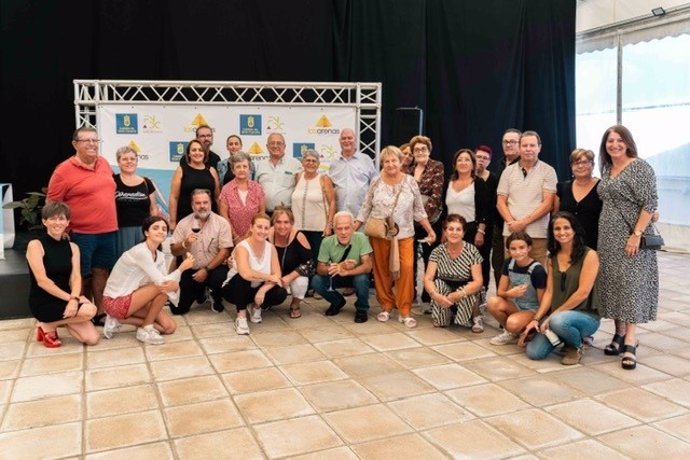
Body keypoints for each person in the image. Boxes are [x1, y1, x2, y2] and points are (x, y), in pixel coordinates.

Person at [596, 125, 659, 371]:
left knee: (631, 285)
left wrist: (636, 234)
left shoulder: (640, 167)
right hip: (607, 238)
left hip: (631, 237)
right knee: (614, 283)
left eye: (619, 140)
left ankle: (631, 341)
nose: (614, 145)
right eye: (610, 141)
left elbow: (650, 202)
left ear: (628, 142)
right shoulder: (607, 168)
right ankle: (618, 333)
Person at [355, 146, 436, 328]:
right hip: (380, 234)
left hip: (405, 235)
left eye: (394, 161)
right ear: (382, 163)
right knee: (382, 270)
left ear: (401, 162)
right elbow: (366, 207)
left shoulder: (410, 182)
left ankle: (404, 310)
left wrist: (430, 230)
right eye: (386, 161)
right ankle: (386, 305)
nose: (390, 164)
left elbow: (419, 210)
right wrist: (355, 226)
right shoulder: (376, 181)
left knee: (406, 269)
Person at [47, 126, 118, 326]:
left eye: (95, 140)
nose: (91, 144)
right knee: (83, 276)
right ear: (75, 144)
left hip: (108, 230)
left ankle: (101, 312)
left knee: (102, 272)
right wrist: (61, 230)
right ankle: (83, 312)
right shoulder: (63, 171)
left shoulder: (104, 163)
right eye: (86, 140)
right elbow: (52, 204)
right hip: (81, 234)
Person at [521, 212, 600, 365]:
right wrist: (536, 319)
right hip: (558, 316)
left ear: (574, 230)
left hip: (585, 316)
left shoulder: (589, 255)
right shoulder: (552, 257)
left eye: (566, 228)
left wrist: (552, 317)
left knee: (558, 321)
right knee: (534, 352)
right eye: (557, 229)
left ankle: (576, 345)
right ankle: (563, 336)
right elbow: (549, 292)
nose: (562, 232)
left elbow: (583, 293)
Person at [102, 216, 195, 345]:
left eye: (164, 229)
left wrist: (174, 284)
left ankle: (121, 320)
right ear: (146, 232)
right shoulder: (141, 252)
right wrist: (181, 268)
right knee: (163, 286)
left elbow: (165, 281)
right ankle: (145, 328)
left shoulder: (160, 255)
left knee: (168, 328)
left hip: (136, 298)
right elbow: (162, 282)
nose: (161, 231)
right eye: (155, 228)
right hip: (115, 301)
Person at [26, 201, 100, 348]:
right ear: (44, 221)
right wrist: (72, 299)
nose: (57, 223)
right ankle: (48, 324)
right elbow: (42, 281)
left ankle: (48, 325)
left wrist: (75, 297)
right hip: (43, 301)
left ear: (67, 222)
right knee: (90, 310)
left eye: (61, 219)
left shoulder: (73, 247)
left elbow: (76, 277)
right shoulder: (36, 245)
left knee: (92, 339)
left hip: (66, 298)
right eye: (53, 218)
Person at [497, 130, 557, 266]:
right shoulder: (508, 171)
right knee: (512, 273)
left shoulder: (548, 171)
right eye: (524, 145)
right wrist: (512, 223)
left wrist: (523, 223)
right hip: (511, 233)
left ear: (539, 148)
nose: (528, 149)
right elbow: (500, 202)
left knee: (538, 275)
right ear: (519, 148)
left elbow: (548, 204)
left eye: (532, 145)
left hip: (537, 234)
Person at [222, 214, 288, 334]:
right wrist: (268, 277)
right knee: (242, 278)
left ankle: (256, 307)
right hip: (235, 290)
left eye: (266, 228)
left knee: (280, 292)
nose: (263, 231)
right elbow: (246, 274)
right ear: (251, 227)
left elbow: (277, 274)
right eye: (259, 227)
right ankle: (241, 317)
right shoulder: (242, 247)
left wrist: (262, 290)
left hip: (257, 287)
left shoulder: (271, 248)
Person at [170, 189, 232, 314]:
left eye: (205, 202)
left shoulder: (221, 223)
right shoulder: (183, 223)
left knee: (218, 278)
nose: (202, 206)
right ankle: (200, 293)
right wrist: (184, 244)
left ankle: (216, 296)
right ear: (192, 205)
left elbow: (224, 251)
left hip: (214, 268)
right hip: (191, 270)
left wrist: (206, 270)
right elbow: (173, 251)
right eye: (198, 203)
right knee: (177, 309)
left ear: (210, 204)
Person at [423, 214, 484, 331]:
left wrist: (458, 294)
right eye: (450, 229)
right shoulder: (437, 251)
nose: (454, 233)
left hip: (465, 288)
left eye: (458, 229)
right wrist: (435, 295)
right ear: (445, 232)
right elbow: (428, 279)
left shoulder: (472, 251)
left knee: (472, 287)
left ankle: (476, 316)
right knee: (438, 284)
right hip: (445, 287)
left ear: (464, 233)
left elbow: (478, 281)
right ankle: (445, 316)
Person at [311, 211, 373, 323]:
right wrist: (335, 267)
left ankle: (362, 309)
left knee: (362, 279)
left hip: (355, 274)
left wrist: (348, 272)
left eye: (347, 228)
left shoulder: (361, 238)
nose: (343, 232)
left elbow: (368, 266)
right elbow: (320, 269)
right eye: (339, 229)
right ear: (334, 229)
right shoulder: (326, 242)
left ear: (353, 227)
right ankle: (337, 301)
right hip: (337, 274)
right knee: (316, 281)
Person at [487, 231, 546, 345]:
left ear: (529, 248)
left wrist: (536, 319)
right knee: (492, 302)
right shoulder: (509, 263)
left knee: (512, 323)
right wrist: (510, 294)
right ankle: (511, 333)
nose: (518, 252)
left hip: (532, 309)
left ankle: (529, 331)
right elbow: (500, 292)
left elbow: (542, 302)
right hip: (516, 305)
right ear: (508, 250)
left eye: (521, 247)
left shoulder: (537, 270)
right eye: (513, 249)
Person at [409, 135, 445, 309]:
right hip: (409, 223)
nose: (420, 152)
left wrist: (421, 217)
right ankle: (411, 293)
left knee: (431, 259)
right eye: (416, 149)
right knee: (410, 260)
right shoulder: (408, 168)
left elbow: (436, 196)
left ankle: (429, 295)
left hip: (430, 221)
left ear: (429, 150)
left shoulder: (437, 166)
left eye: (423, 149)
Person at [443, 148, 490, 280]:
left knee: (471, 266)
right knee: (452, 264)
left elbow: (484, 210)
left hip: (471, 230)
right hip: (451, 231)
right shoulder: (448, 183)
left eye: (467, 160)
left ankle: (474, 296)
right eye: (460, 160)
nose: (463, 163)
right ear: (454, 164)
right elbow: (444, 209)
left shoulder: (479, 184)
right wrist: (444, 231)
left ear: (473, 164)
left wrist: (480, 232)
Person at [268, 207, 314, 319]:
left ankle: (295, 304)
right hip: (271, 273)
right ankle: (265, 302)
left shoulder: (299, 236)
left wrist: (289, 277)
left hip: (293, 274)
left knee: (301, 281)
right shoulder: (267, 235)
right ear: (273, 222)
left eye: (286, 222)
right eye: (278, 222)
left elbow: (310, 264)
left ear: (292, 223)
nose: (282, 226)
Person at [113, 146, 159, 259]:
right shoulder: (112, 181)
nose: (129, 162)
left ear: (137, 161)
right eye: (124, 159)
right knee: (124, 265)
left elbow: (153, 209)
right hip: (121, 232)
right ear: (118, 162)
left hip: (143, 232)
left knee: (145, 265)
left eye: (132, 159)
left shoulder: (146, 182)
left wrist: (154, 230)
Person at [553, 148, 602, 249]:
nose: (580, 166)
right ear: (571, 167)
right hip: (566, 245)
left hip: (594, 245)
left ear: (592, 165)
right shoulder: (562, 188)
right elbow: (555, 216)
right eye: (576, 163)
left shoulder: (602, 188)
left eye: (585, 162)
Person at [291, 149, 336, 258]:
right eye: (307, 160)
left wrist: (329, 225)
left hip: (319, 230)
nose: (310, 163)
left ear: (318, 164)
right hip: (298, 229)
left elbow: (332, 202)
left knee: (317, 261)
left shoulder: (324, 179)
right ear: (302, 163)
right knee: (301, 260)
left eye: (314, 161)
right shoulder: (298, 177)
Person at [491, 129, 521, 288]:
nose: (508, 145)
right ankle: (501, 296)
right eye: (505, 142)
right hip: (498, 222)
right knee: (498, 263)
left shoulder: (524, 165)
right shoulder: (500, 164)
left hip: (517, 222)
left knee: (517, 263)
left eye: (513, 142)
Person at [169, 139, 220, 231]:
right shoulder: (181, 170)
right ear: (188, 154)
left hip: (209, 218)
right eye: (194, 150)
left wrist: (221, 218)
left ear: (204, 153)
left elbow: (217, 197)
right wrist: (172, 221)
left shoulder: (212, 171)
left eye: (200, 150)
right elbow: (174, 197)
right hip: (185, 217)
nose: (197, 153)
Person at [219, 151, 265, 244]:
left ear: (249, 169)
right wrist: (235, 237)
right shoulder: (226, 189)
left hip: (255, 237)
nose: (242, 170)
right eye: (238, 167)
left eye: (245, 166)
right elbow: (224, 216)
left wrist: (250, 234)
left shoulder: (257, 188)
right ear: (233, 170)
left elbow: (261, 213)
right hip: (233, 239)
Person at [328, 128, 377, 216]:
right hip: (340, 214)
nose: (347, 141)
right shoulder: (334, 162)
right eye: (344, 138)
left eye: (349, 138)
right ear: (339, 141)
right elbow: (331, 187)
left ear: (355, 140)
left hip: (361, 215)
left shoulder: (366, 159)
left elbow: (375, 185)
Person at [254, 133, 301, 214]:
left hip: (286, 214)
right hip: (264, 214)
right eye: (272, 143)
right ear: (267, 146)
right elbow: (255, 189)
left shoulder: (295, 164)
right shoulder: (260, 165)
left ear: (284, 146)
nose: (275, 146)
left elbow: (300, 190)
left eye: (279, 143)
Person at [475, 145, 499, 292]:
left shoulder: (494, 178)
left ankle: (482, 293)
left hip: (487, 227)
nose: (481, 161)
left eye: (485, 158)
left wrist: (482, 230)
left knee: (483, 260)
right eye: (479, 157)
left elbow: (492, 205)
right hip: (467, 224)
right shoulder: (465, 176)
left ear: (489, 161)